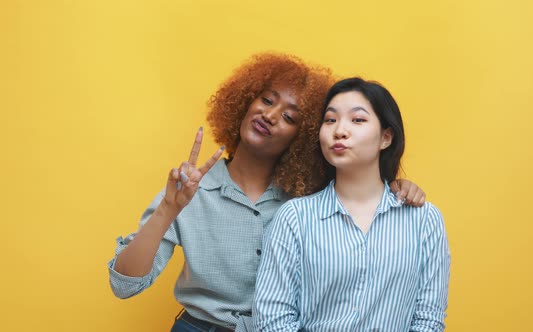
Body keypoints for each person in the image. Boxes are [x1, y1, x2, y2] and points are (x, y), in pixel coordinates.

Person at [108, 54, 427, 332]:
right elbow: (124, 285)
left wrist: (395, 187)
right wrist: (168, 208)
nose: (271, 116)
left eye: (290, 117)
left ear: (303, 137)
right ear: (244, 101)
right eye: (266, 100)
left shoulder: (309, 201)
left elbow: (365, 225)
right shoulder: (190, 191)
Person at [253, 77, 450, 331]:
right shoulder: (295, 217)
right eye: (330, 120)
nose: (339, 130)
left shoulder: (424, 220)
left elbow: (428, 321)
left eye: (358, 120)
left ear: (386, 138)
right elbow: (272, 320)